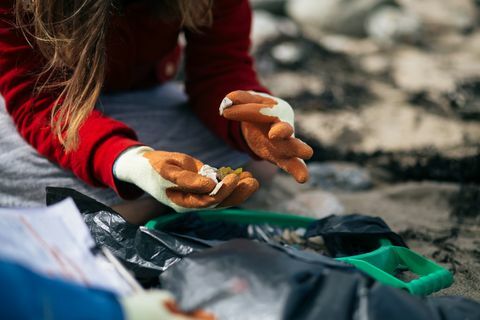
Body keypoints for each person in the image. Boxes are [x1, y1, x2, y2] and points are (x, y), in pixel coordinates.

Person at [0, 0, 313, 222]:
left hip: (142, 100)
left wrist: (253, 121)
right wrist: (129, 162)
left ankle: (124, 211)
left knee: (260, 163)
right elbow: (39, 105)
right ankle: (160, 204)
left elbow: (220, 69)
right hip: (39, 110)